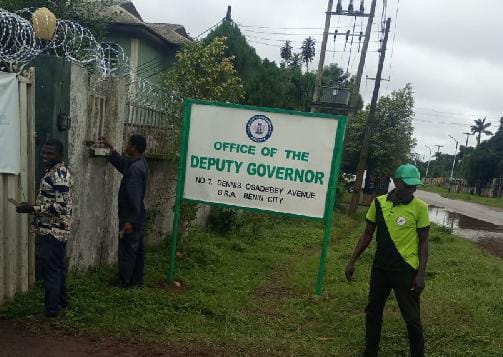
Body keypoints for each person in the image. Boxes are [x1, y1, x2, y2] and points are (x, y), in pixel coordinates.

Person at [345, 164, 430, 357]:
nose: (412, 189)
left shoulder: (420, 208)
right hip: (380, 269)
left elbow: (424, 242)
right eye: (408, 185)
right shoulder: (379, 204)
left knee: (412, 318)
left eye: (414, 186)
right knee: (373, 311)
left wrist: (421, 274)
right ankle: (370, 351)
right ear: (397, 182)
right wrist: (352, 261)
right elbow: (367, 234)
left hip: (406, 270)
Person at [16, 139, 73, 317]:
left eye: (50, 153)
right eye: (44, 153)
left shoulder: (60, 175)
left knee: (51, 271)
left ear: (60, 155)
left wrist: (33, 209)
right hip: (52, 229)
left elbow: (62, 207)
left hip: (53, 231)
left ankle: (51, 310)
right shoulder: (53, 171)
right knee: (57, 268)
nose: (45, 157)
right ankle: (61, 303)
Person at [100, 135, 148, 287]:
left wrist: (129, 221)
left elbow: (133, 197)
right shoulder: (140, 163)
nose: (126, 145)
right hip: (138, 215)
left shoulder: (134, 169)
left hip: (132, 216)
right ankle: (136, 280)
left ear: (133, 147)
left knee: (128, 248)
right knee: (137, 249)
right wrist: (111, 149)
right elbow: (123, 164)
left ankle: (125, 281)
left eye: (128, 143)